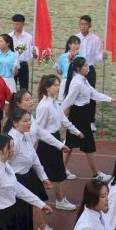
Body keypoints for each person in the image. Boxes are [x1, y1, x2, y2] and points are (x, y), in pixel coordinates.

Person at [62, 56, 116, 181]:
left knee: (70, 144)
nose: (88, 68)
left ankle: (61, 169)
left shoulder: (83, 80)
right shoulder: (76, 83)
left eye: (87, 65)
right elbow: (67, 101)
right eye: (85, 66)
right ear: (78, 68)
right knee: (88, 145)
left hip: (83, 114)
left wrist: (110, 100)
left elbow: (94, 94)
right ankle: (96, 174)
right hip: (78, 116)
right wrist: (58, 115)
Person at [35, 74, 83, 211]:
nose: (58, 88)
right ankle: (59, 200)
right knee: (54, 173)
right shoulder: (44, 106)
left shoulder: (54, 102)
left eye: (58, 85)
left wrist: (76, 131)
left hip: (54, 139)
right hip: (47, 143)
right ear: (47, 88)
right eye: (55, 85)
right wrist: (57, 144)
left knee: (50, 172)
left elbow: (63, 118)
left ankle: (54, 198)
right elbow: (38, 129)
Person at [9, 14, 34, 93]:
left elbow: (32, 53)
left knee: (24, 87)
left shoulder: (29, 37)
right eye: (14, 24)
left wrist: (34, 53)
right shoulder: (9, 36)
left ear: (23, 24)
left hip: (23, 64)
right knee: (11, 87)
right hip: (12, 64)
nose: (15, 26)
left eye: (18, 24)